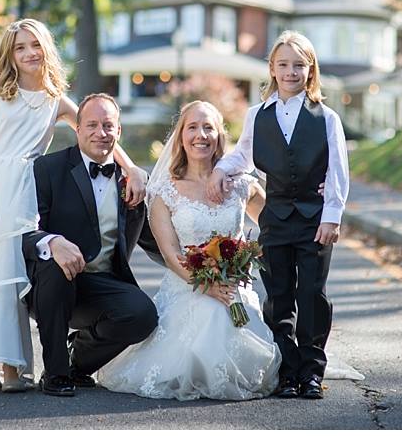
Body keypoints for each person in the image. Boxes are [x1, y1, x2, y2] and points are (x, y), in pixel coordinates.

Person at [0, 20, 148, 393]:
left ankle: (11, 364)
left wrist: (131, 167)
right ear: (10, 55)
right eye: (19, 48)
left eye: (34, 45)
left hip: (27, 189)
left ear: (46, 48)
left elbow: (97, 131)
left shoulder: (56, 98)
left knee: (13, 277)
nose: (28, 54)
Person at [97, 101, 283, 401]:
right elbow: (170, 254)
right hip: (187, 286)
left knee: (230, 323)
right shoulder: (164, 191)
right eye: (193, 127)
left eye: (209, 127)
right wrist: (208, 285)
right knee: (209, 315)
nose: (201, 135)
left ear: (220, 135)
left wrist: (249, 257)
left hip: (234, 289)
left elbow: (277, 225)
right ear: (181, 136)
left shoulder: (240, 185)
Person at [206, 30, 350, 400]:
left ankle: (312, 372)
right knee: (279, 295)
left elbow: (337, 168)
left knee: (312, 295)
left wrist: (332, 215)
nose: (290, 72)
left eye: (298, 65)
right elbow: (243, 155)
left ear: (310, 69)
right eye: (283, 64)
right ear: (271, 68)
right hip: (275, 217)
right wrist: (222, 170)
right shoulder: (258, 115)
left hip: (314, 219)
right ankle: (287, 372)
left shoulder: (327, 117)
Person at [22, 93, 162, 397]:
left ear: (119, 131)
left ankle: (78, 361)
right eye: (92, 125)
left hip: (101, 284)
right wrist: (52, 242)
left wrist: (197, 262)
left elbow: (157, 239)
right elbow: (23, 230)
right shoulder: (48, 169)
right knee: (56, 268)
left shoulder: (131, 183)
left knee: (143, 315)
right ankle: (56, 372)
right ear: (78, 129)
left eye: (108, 126)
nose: (101, 133)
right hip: (51, 283)